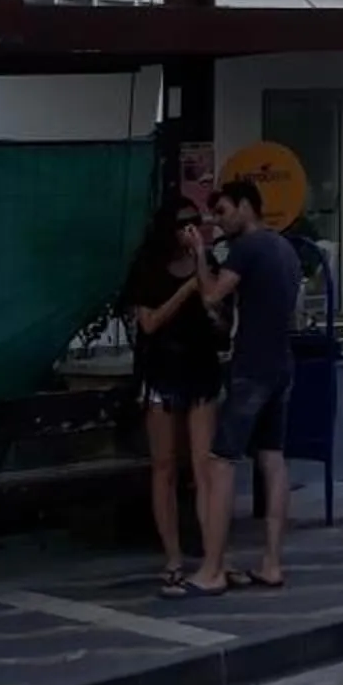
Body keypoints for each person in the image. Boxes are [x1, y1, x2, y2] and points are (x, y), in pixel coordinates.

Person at [170, 177, 304, 599]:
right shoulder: (285, 248)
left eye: (223, 212)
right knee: (273, 459)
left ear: (246, 206)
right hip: (283, 363)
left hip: (252, 368)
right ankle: (272, 563)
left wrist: (199, 254)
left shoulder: (248, 248)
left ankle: (211, 570)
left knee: (220, 461)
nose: (219, 222)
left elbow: (211, 296)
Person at [120, 196, 225, 589]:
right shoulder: (148, 268)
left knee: (203, 465)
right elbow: (148, 323)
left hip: (200, 367)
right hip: (162, 369)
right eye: (183, 223)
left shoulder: (206, 262)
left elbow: (217, 310)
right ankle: (173, 555)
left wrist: (201, 261)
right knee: (164, 467)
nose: (190, 229)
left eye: (195, 222)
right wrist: (186, 291)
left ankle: (212, 555)